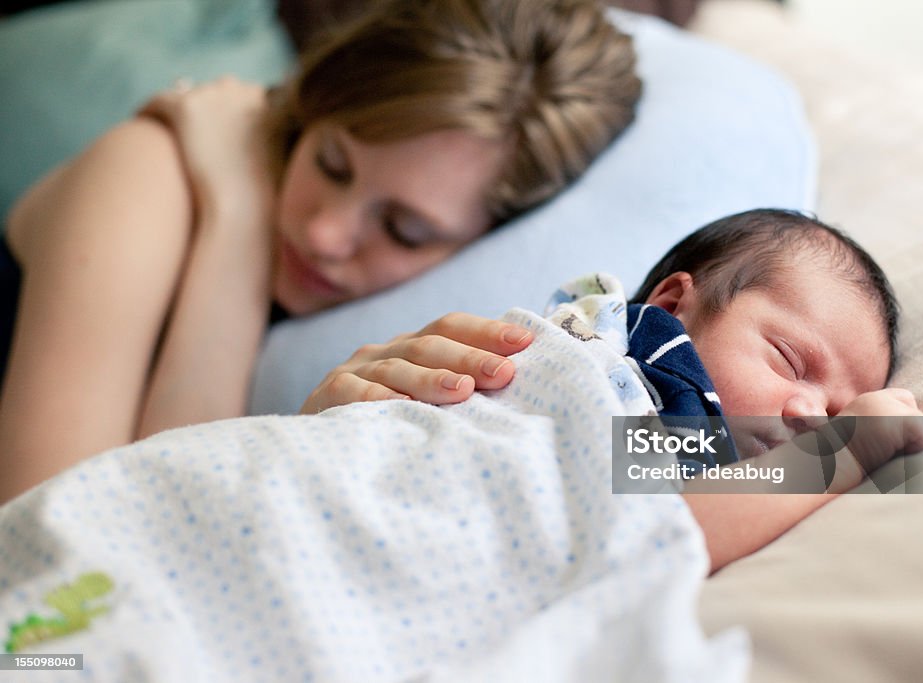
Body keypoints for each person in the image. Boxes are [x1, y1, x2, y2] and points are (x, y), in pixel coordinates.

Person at [0, 0, 642, 503]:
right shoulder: (149, 173)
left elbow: (742, 463)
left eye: (405, 230)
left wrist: (239, 218)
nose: (326, 234)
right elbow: (51, 535)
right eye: (332, 163)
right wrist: (238, 220)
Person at [305, 208, 923, 573]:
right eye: (789, 360)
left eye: (833, 411)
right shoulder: (614, 371)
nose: (808, 413)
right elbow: (663, 526)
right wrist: (848, 449)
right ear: (671, 304)